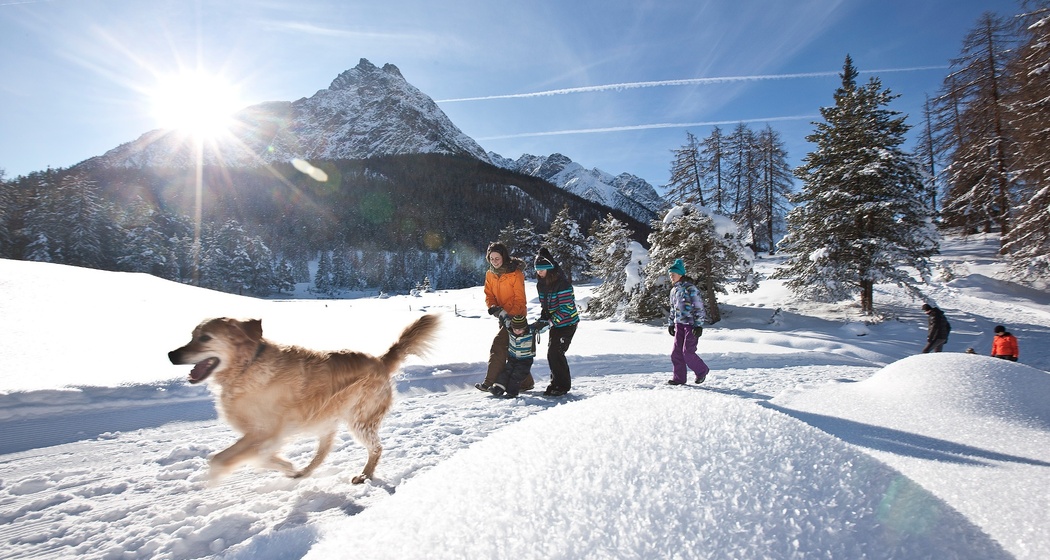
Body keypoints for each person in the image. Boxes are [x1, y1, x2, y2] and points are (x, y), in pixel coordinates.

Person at [476, 242, 535, 392]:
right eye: (492, 258)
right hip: (502, 317)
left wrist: (509, 317)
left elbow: (520, 300)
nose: (494, 261)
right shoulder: (490, 274)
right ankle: (526, 383)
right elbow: (489, 294)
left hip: (517, 319)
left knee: (498, 346)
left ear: (504, 257)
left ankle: (489, 382)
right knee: (513, 352)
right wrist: (495, 308)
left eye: (497, 258)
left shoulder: (515, 274)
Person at [533, 248, 580, 397]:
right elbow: (545, 306)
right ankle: (556, 383)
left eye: (542, 270)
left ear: (549, 268)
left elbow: (566, 308)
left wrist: (550, 323)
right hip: (556, 323)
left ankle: (562, 386)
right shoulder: (541, 284)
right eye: (537, 270)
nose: (539, 273)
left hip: (568, 323)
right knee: (552, 353)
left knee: (556, 352)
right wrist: (542, 320)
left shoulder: (563, 284)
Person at [666, 258, 710, 384]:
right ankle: (679, 379)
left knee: (687, 352)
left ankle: (702, 370)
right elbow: (673, 308)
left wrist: (699, 325)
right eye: (670, 275)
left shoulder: (691, 289)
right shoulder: (674, 290)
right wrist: (671, 323)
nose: (671, 277)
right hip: (679, 324)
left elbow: (698, 307)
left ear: (680, 274)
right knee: (676, 353)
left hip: (691, 325)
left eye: (673, 274)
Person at [490, 313, 549, 398]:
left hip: (526, 360)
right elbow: (506, 318)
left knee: (516, 376)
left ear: (525, 327)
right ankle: (498, 389)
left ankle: (512, 392)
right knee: (505, 372)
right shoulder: (510, 329)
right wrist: (501, 312)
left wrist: (546, 323)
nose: (517, 331)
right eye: (515, 329)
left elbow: (543, 327)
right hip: (512, 358)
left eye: (520, 329)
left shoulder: (531, 331)